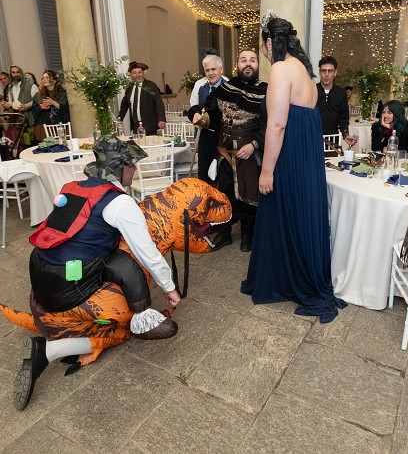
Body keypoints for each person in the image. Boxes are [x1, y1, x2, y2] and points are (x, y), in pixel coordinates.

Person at [13, 135, 181, 410]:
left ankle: (60, 341)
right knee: (122, 267)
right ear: (121, 166)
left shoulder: (73, 186)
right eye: (132, 164)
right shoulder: (120, 203)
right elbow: (147, 252)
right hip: (66, 285)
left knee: (106, 259)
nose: (135, 169)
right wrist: (169, 288)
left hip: (40, 272)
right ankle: (54, 347)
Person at [241, 14, 346, 323]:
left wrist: (266, 171)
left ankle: (283, 280)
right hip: (305, 158)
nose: (262, 52)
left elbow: (277, 124)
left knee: (283, 213)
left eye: (262, 45)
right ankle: (293, 276)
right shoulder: (305, 72)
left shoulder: (281, 69)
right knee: (297, 216)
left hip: (288, 156)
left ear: (270, 42)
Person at [188, 50, 267, 251]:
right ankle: (224, 233)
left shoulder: (266, 91)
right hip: (225, 153)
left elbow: (270, 125)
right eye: (243, 60)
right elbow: (208, 111)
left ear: (257, 64)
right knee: (222, 194)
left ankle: (248, 234)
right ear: (237, 65)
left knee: (249, 194)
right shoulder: (225, 88)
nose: (247, 64)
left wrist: (254, 145)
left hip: (250, 153)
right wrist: (195, 114)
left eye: (252, 60)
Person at [191, 54, 228, 181]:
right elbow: (197, 109)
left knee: (222, 179)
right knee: (204, 178)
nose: (210, 73)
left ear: (221, 70)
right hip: (205, 141)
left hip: (223, 141)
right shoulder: (202, 89)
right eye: (207, 70)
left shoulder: (229, 88)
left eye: (213, 69)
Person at [119, 61, 166, 135]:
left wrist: (161, 119)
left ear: (143, 73)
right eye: (135, 73)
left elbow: (158, 102)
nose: (138, 75)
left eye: (139, 72)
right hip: (135, 125)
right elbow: (124, 105)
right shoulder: (129, 88)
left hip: (149, 125)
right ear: (131, 74)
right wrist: (119, 119)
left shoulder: (151, 86)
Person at [316, 56, 355, 146]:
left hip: (333, 139)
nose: (326, 74)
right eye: (323, 71)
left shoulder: (341, 92)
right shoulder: (312, 90)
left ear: (335, 73)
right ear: (319, 72)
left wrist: (346, 135)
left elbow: (343, 118)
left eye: (330, 71)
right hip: (313, 137)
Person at [32, 69, 69, 142]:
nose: (44, 79)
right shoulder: (38, 94)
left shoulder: (62, 93)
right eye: (43, 78)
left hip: (61, 124)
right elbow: (34, 110)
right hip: (45, 126)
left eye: (47, 77)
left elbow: (66, 110)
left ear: (54, 80)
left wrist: (53, 103)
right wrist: (40, 107)